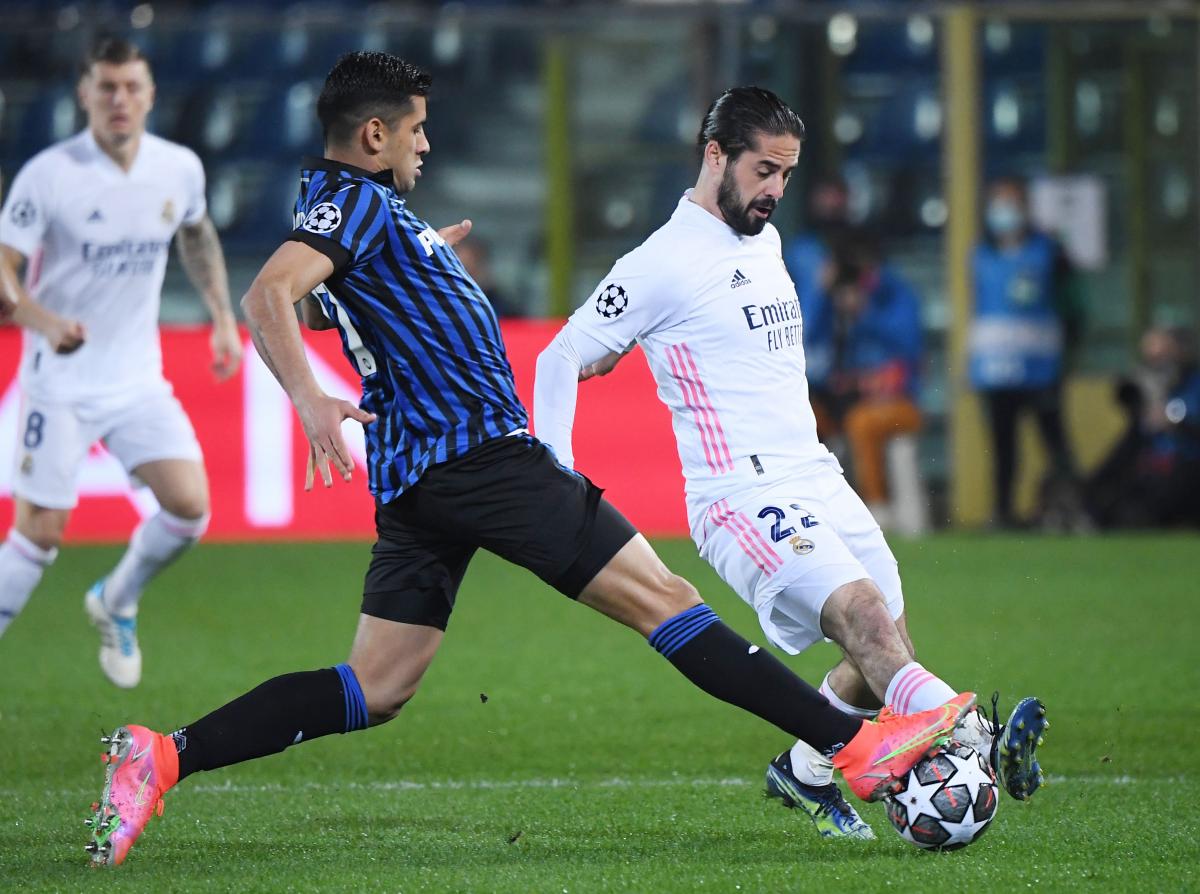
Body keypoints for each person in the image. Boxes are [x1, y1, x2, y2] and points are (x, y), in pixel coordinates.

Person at [84, 53, 974, 867]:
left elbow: (323, 303)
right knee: (667, 602)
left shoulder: (355, 211)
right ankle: (856, 747)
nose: (426, 144)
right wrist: (310, 399)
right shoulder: (353, 201)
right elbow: (269, 293)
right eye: (416, 129)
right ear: (374, 135)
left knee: (376, 685)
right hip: (480, 454)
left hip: (418, 476)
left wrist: (418, 267)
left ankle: (164, 756)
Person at [533, 86, 1047, 840]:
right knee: (863, 616)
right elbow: (559, 356)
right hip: (740, 494)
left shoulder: (763, 241)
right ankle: (975, 739)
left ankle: (804, 770)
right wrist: (557, 473)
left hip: (815, 473)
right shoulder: (660, 262)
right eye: (764, 170)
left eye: (786, 174)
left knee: (884, 645)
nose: (775, 189)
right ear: (716, 156)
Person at [0, 38, 242, 687]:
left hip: (136, 380)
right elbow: (3, 269)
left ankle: (116, 598)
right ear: (84, 94)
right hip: (60, 383)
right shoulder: (49, 175)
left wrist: (222, 316)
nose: (119, 99)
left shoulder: (178, 168)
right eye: (106, 87)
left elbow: (197, 233)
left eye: (132, 87)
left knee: (189, 507)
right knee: (40, 535)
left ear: (150, 94)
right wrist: (44, 322)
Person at [970, 176, 1083, 528]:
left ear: (1025, 207)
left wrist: (1069, 351)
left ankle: (1076, 511)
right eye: (997, 203)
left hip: (1040, 367)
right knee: (1003, 447)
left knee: (1055, 443)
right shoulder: (982, 253)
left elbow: (1073, 305)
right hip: (996, 370)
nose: (1003, 212)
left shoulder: (1049, 251)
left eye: (1010, 203)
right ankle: (1002, 513)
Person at [796, 227, 924, 525]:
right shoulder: (834, 297)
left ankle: (878, 510)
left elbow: (909, 345)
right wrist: (821, 291)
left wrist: (866, 312)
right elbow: (806, 335)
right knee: (803, 422)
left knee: (862, 424)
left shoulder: (894, 293)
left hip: (898, 399)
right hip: (845, 395)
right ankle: (811, 513)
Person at [1087, 326, 1200, 528]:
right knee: (1112, 491)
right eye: (1151, 357)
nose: (1157, 362)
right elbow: (1133, 434)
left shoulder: (1193, 384)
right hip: (1154, 469)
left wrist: (1173, 421)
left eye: (1163, 354)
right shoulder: (1152, 385)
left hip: (1187, 470)